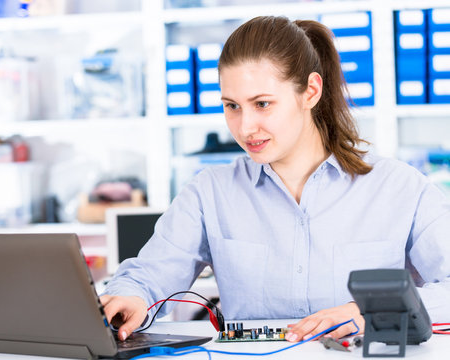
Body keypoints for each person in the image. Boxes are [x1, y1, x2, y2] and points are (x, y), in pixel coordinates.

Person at [100, 16, 450, 343]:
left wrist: (370, 313)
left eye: (262, 104)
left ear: (310, 92)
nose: (245, 127)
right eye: (231, 106)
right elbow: (149, 276)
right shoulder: (211, 192)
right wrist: (132, 298)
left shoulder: (399, 187)